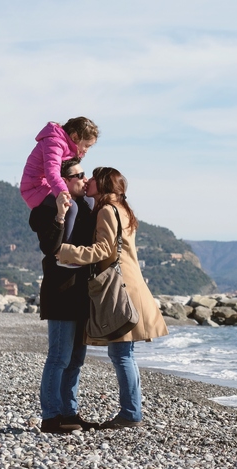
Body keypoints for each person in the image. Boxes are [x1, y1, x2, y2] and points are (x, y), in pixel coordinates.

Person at [56, 167, 169, 429]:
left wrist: (65, 252)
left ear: (103, 183)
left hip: (120, 289)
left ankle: (131, 414)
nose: (88, 182)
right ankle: (132, 411)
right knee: (124, 354)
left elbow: (104, 249)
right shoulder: (123, 208)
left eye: (93, 178)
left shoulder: (107, 210)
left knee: (122, 356)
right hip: (131, 285)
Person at [29, 157, 98, 434]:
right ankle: (50, 416)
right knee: (58, 356)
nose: (84, 179)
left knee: (77, 358)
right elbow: (50, 247)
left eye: (84, 174)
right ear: (64, 181)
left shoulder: (88, 208)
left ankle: (69, 412)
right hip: (59, 291)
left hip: (83, 292)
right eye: (78, 175)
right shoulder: (47, 209)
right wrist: (59, 214)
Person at [21, 117, 99, 241]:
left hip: (50, 185)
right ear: (74, 137)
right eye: (87, 145)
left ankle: (85, 244)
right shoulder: (54, 142)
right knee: (71, 206)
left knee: (89, 201)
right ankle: (66, 249)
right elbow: (52, 172)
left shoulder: (69, 147)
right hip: (35, 187)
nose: (86, 150)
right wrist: (63, 193)